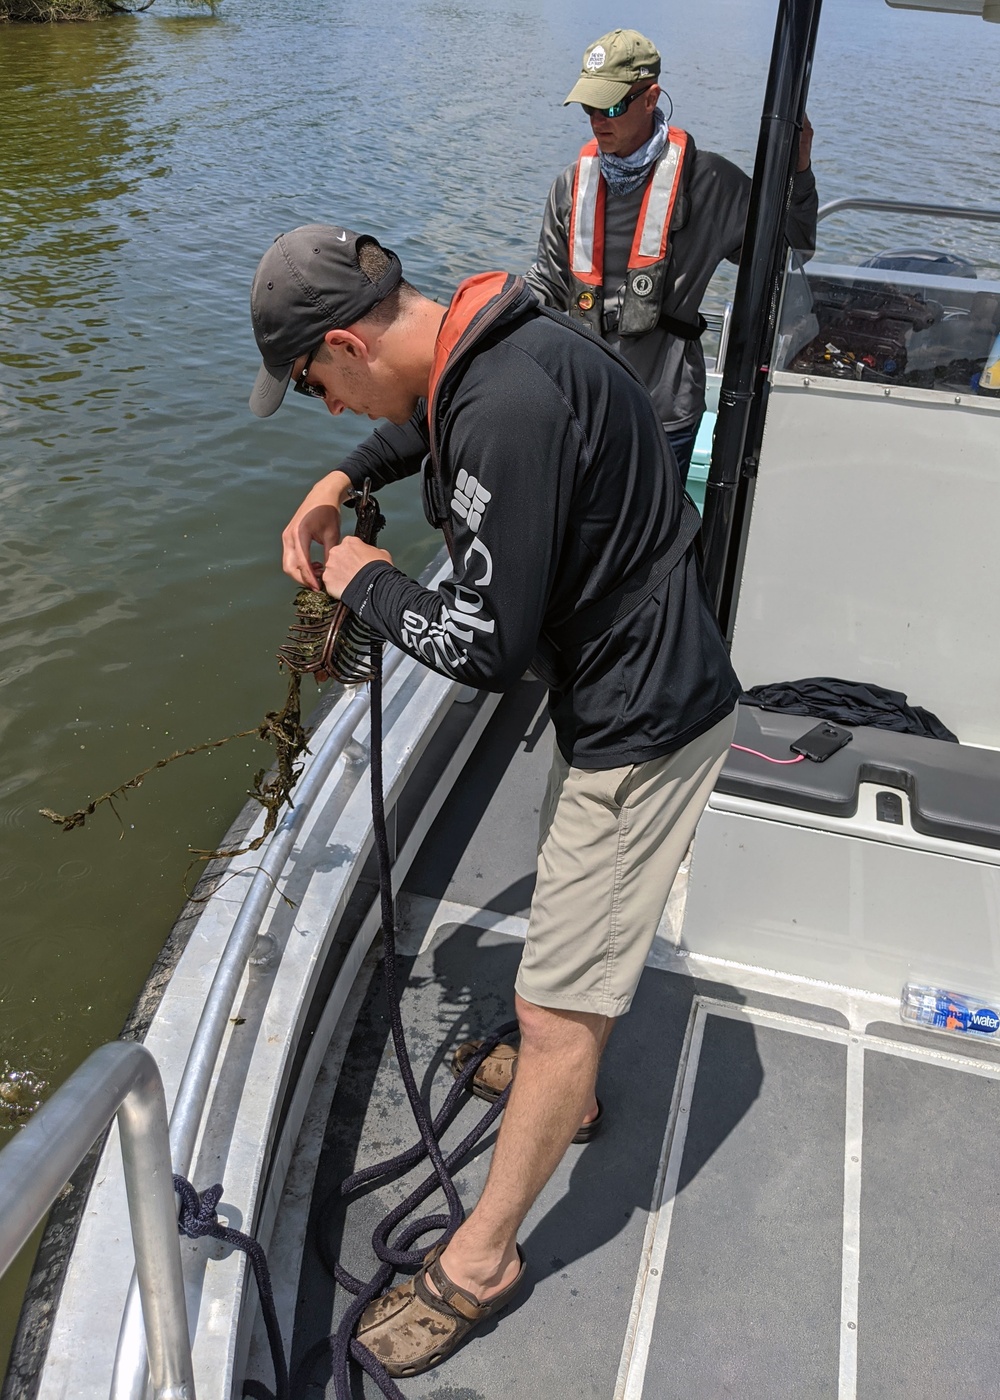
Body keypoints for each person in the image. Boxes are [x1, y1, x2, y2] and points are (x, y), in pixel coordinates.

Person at [248, 223, 741, 1376]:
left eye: (316, 385)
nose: (324, 407)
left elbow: (477, 648)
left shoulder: (502, 412)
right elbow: (418, 418)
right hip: (625, 687)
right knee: (574, 949)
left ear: (341, 340)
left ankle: (483, 1258)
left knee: (563, 1005)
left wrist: (365, 579)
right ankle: (557, 1096)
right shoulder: (496, 337)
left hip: (641, 732)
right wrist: (346, 475)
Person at [526, 27, 817, 482]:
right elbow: (545, 283)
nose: (598, 120)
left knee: (652, 544)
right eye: (588, 107)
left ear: (650, 97)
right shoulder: (570, 185)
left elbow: (792, 249)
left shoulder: (711, 183)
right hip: (582, 405)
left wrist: (799, 169)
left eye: (612, 106)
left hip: (665, 415)